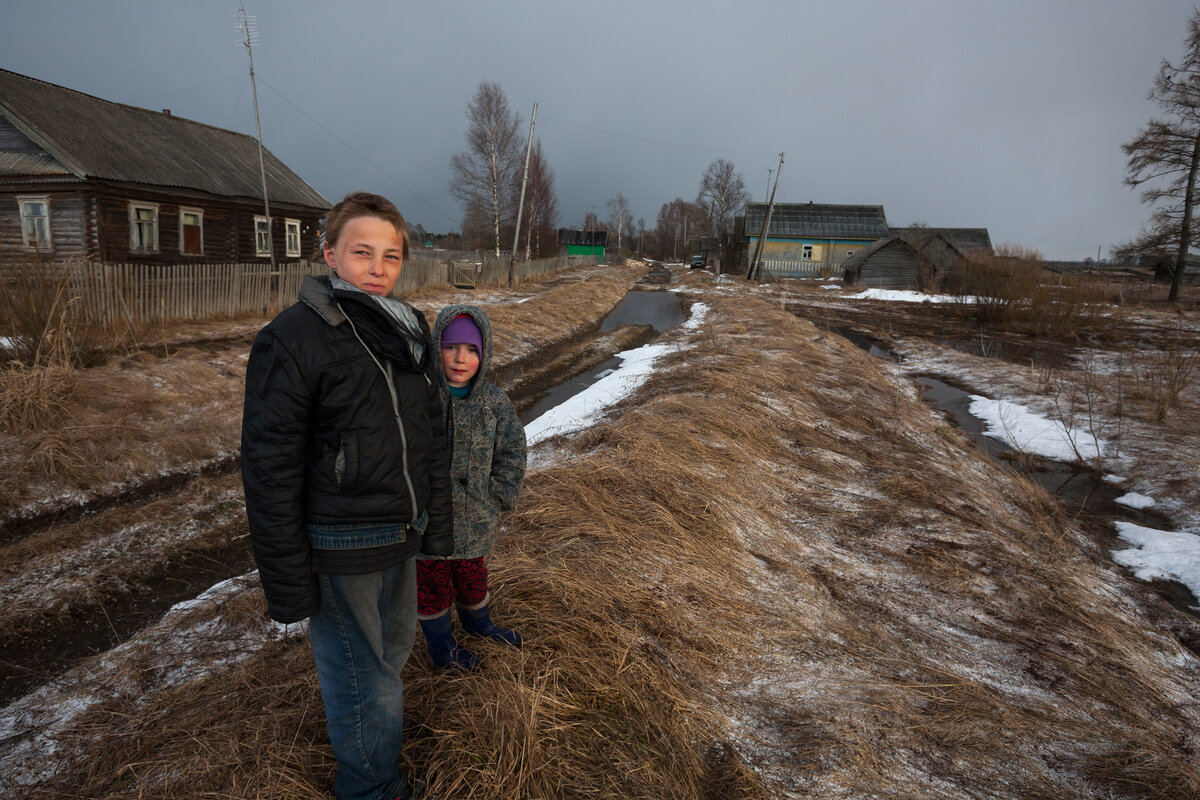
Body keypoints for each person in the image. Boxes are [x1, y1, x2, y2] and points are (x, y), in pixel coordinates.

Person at [241, 191, 451, 800]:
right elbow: (269, 464)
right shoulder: (295, 338)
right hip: (341, 542)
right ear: (330, 254)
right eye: (363, 252)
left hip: (401, 531)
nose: (379, 268)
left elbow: (430, 437)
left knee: (390, 658)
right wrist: (285, 577)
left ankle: (374, 765)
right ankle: (371, 789)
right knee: (363, 677)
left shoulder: (406, 331)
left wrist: (434, 528)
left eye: (391, 256)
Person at [416, 305, 526, 671]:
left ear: (485, 353)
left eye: (472, 350)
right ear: (436, 348)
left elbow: (511, 449)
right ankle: (441, 647)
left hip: (476, 517)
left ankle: (479, 624)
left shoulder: (494, 403)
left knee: (472, 577)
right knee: (431, 586)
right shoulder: (421, 397)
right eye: (451, 348)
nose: (461, 359)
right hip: (428, 522)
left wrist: (500, 492)